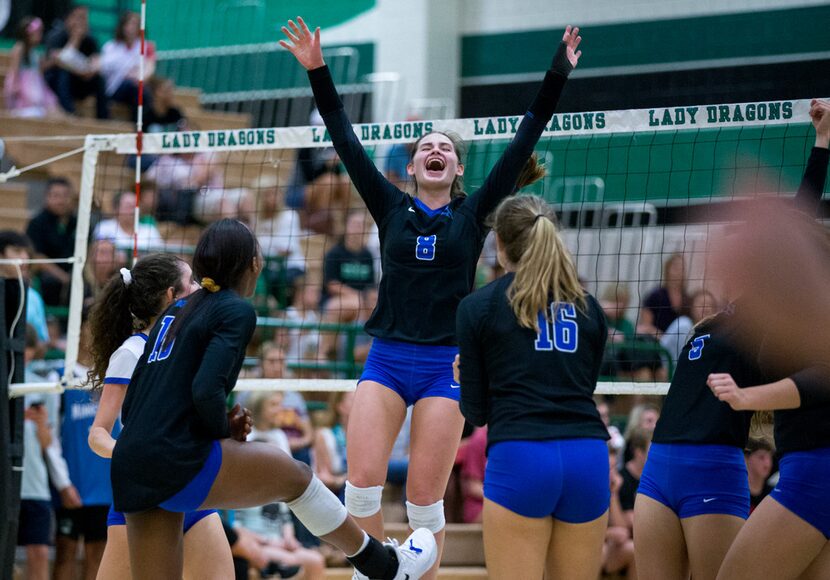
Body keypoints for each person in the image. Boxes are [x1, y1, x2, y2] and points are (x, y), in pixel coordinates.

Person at [281, 18, 582, 576]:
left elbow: (525, 139)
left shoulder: (473, 216)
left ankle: (416, 574)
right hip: (388, 357)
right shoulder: (390, 206)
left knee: (424, 502)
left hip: (447, 363)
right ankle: (370, 572)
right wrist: (318, 72)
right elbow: (344, 139)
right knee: (362, 487)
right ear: (414, 166)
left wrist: (557, 72)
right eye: (426, 147)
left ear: (457, 168)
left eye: (445, 147)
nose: (435, 149)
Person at [109, 219, 437, 580]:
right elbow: (205, 389)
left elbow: (133, 403)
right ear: (253, 264)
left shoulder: (174, 312)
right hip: (174, 457)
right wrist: (220, 431)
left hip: (130, 463)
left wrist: (213, 424)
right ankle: (386, 567)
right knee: (295, 476)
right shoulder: (234, 309)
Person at [633, 99, 830, 580]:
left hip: (721, 464)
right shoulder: (712, 322)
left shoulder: (773, 317)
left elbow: (794, 227)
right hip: (661, 465)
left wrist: (822, 145)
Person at [454, 195, 609, 579]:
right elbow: (583, 385)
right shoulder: (589, 307)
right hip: (587, 456)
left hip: (521, 455)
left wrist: (468, 378)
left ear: (501, 245)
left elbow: (476, 413)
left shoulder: (478, 307)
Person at [86, 253, 233, 579]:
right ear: (171, 295)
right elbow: (98, 433)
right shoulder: (132, 352)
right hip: (141, 498)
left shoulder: (193, 347)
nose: (199, 288)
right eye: (192, 281)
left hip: (191, 491)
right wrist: (130, 455)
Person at [44, 5, 108, 119]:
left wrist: (91, 71)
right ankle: (69, 112)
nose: (82, 22)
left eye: (84, 18)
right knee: (63, 73)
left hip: (80, 81)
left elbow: (96, 62)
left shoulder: (90, 40)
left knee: (99, 79)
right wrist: (75, 39)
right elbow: (60, 60)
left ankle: (103, 117)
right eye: (79, 17)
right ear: (69, 19)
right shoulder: (56, 36)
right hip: (56, 83)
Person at [26, 177, 76, 306]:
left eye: (65, 196)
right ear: (47, 197)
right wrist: (64, 277)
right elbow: (37, 257)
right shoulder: (36, 223)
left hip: (73, 273)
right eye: (56, 196)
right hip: (47, 277)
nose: (61, 201)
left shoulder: (77, 222)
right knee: (50, 282)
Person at [100, 11, 154, 120]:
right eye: (129, 24)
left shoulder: (146, 46)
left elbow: (149, 69)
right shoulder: (111, 47)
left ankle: (140, 125)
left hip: (136, 86)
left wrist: (137, 76)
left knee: (142, 92)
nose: (132, 28)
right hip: (114, 88)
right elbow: (103, 69)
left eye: (135, 24)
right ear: (122, 26)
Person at [3, 16, 60, 117]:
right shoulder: (19, 48)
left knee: (51, 103)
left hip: (35, 84)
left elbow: (38, 71)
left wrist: (52, 61)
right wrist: (15, 87)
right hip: (23, 86)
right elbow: (14, 71)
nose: (40, 35)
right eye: (37, 32)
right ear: (28, 34)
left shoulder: (35, 53)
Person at [92, 190, 165, 251]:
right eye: (128, 206)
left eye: (136, 206)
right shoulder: (104, 228)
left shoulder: (150, 230)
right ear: (116, 209)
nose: (133, 211)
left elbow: (160, 255)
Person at [744, 438, 774, 513]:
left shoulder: (773, 494)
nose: (767, 464)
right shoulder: (738, 493)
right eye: (761, 457)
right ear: (746, 458)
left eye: (769, 458)